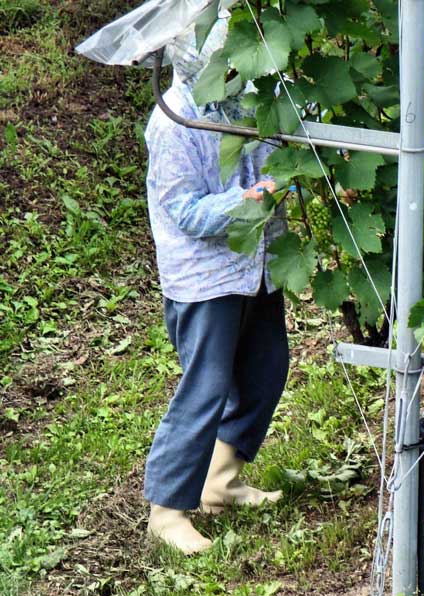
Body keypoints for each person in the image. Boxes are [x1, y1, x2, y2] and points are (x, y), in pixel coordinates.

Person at [142, 21, 289, 555]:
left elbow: (286, 151)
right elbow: (182, 210)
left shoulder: (248, 107)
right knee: (205, 385)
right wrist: (248, 201)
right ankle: (166, 510)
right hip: (205, 278)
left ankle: (220, 483)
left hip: (257, 264)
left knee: (266, 369)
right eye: (226, 65)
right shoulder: (174, 123)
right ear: (198, 66)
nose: (238, 75)